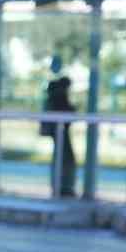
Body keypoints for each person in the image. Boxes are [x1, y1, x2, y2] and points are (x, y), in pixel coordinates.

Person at [41, 68, 78, 198]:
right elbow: (66, 113)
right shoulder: (59, 96)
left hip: (59, 131)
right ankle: (63, 187)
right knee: (65, 159)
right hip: (59, 131)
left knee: (62, 158)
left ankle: (62, 186)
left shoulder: (57, 95)